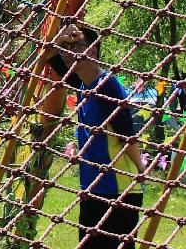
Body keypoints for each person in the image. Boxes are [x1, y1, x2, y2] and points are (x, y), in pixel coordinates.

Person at [54, 21, 143, 249]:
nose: (66, 53)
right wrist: (61, 39)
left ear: (91, 50)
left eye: (74, 47)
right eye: (66, 48)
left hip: (118, 191)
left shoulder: (106, 86)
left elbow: (127, 135)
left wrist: (143, 172)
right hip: (92, 189)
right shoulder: (83, 84)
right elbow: (49, 56)